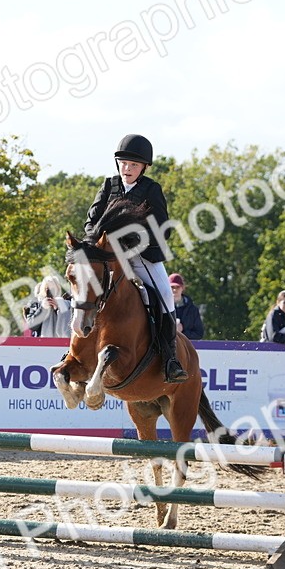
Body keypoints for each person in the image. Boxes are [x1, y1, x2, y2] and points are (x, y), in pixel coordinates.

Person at [84, 133, 187, 383]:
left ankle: (171, 359)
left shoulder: (151, 190)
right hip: (108, 256)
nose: (127, 169)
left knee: (164, 295)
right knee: (81, 290)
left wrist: (134, 242)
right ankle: (77, 352)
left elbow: (163, 228)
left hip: (141, 256)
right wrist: (94, 246)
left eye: (133, 165)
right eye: (123, 163)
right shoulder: (109, 185)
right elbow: (91, 221)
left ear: (144, 168)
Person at [168, 273, 204, 339]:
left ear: (183, 288)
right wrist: (172, 330)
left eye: (177, 287)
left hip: (186, 347)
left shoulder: (193, 310)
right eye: (172, 287)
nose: (175, 290)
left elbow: (199, 334)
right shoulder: (162, 308)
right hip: (166, 348)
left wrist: (182, 332)